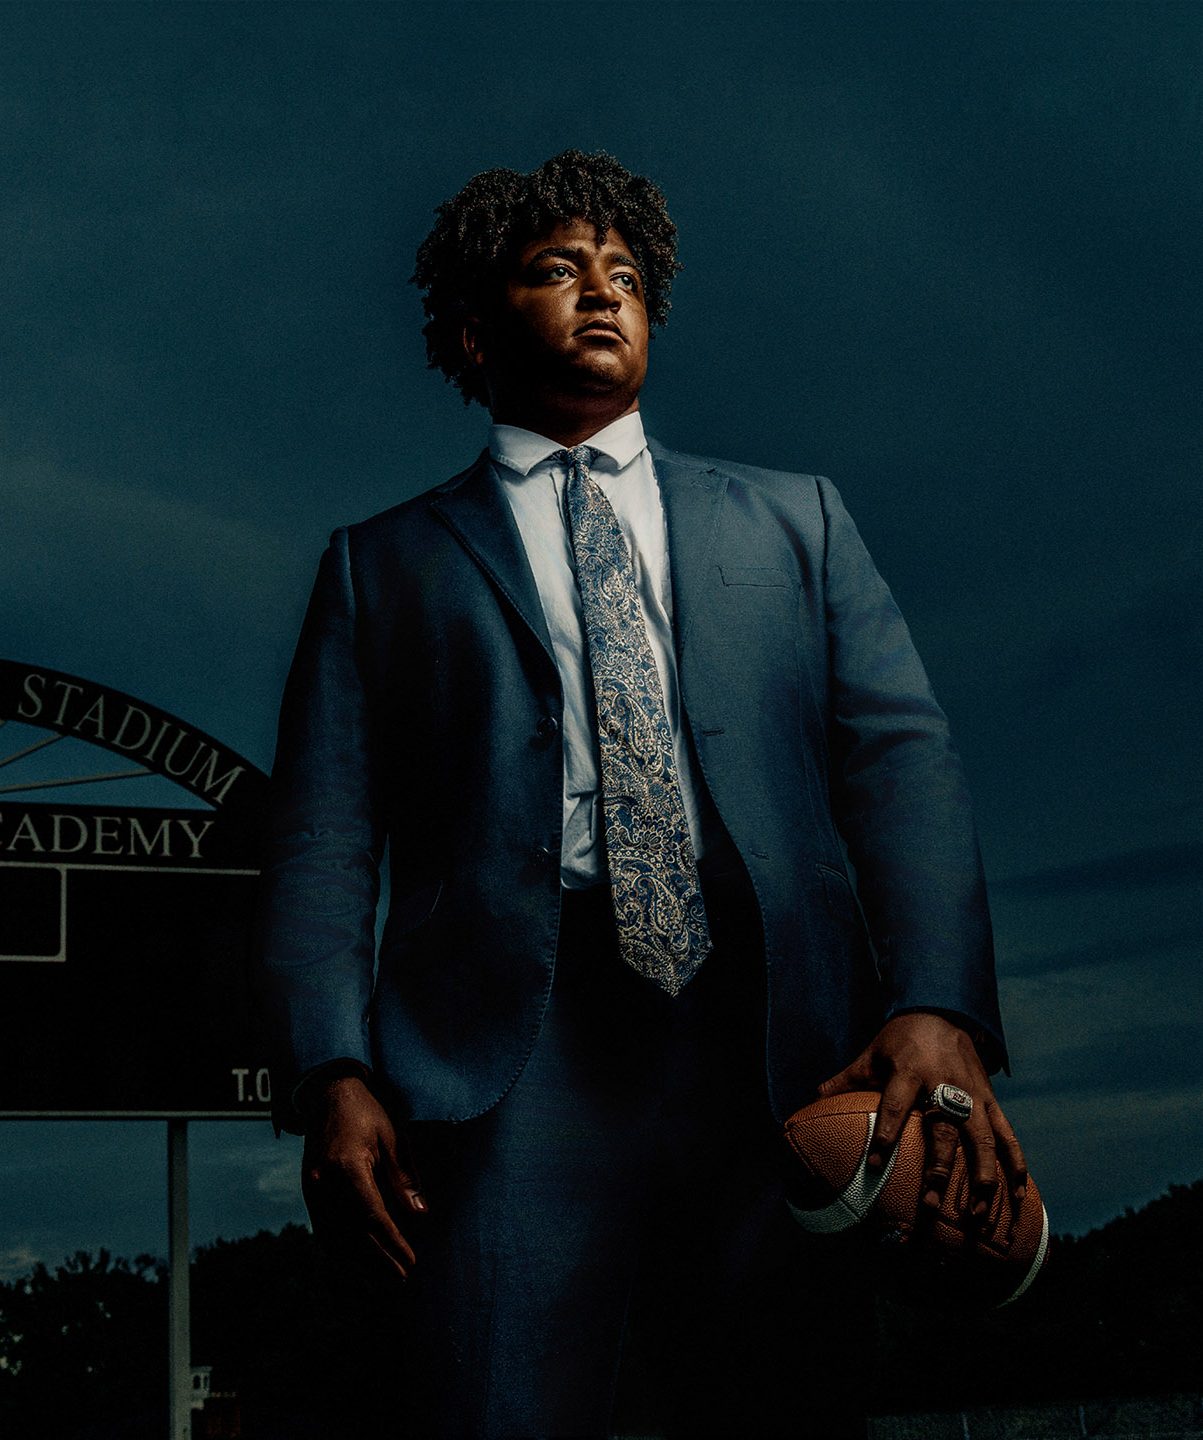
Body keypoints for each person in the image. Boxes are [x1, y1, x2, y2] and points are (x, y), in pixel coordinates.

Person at [255, 149, 1026, 1438]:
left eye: (625, 274)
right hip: (504, 1063)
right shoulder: (376, 567)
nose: (601, 292)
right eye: (556, 270)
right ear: (470, 330)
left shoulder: (801, 524)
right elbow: (323, 843)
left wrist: (938, 999)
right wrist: (331, 1073)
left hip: (784, 1043)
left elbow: (904, 762)